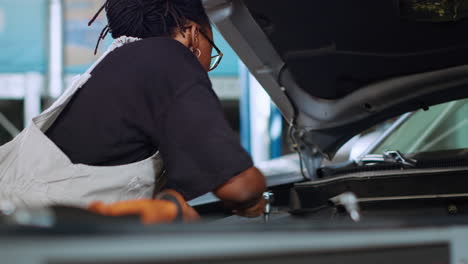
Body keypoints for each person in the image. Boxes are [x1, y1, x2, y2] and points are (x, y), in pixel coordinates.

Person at [0, 0, 266, 217]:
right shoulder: (168, 57)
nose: (209, 64)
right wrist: (253, 196)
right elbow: (240, 187)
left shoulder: (117, 64)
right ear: (191, 33)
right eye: (212, 47)